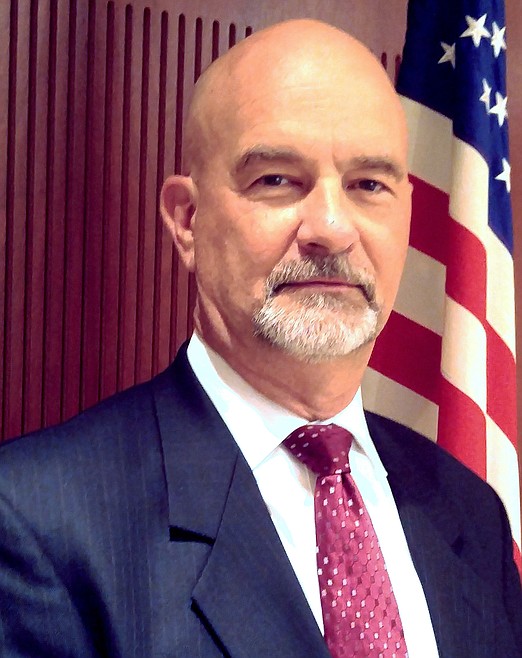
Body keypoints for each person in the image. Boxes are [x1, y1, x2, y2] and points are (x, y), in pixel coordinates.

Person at [0, 18, 520, 658]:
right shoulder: (36, 523)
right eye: (276, 179)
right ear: (187, 220)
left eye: (368, 185)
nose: (331, 228)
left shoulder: (472, 513)